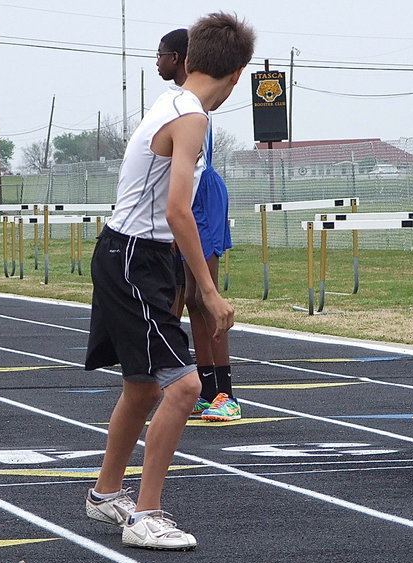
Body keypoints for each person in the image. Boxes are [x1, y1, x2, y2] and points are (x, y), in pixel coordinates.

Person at [83, 12, 254, 551]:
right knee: (184, 387)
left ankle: (106, 493)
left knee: (142, 386)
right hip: (135, 256)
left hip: (131, 253)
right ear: (237, 74)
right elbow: (179, 209)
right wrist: (208, 290)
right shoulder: (192, 117)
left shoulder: (172, 103)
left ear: (190, 58)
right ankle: (146, 514)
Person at [157, 28, 241, 422]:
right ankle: (207, 391)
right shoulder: (178, 100)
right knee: (191, 297)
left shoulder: (193, 103)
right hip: (189, 195)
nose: (157, 62)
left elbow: (190, 166)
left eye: (161, 55)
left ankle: (227, 393)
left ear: (179, 59)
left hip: (201, 195)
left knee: (207, 298)